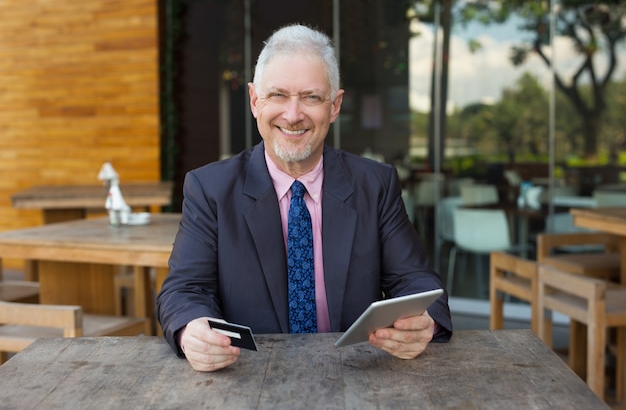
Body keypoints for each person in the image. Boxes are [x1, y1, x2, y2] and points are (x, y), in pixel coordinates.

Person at [157, 23, 452, 372]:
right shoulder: (210, 189)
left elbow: (415, 280)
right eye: (278, 95)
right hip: (250, 378)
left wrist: (424, 323)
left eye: (311, 97)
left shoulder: (376, 184)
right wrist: (192, 329)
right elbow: (185, 289)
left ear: (335, 105)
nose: (293, 114)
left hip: (357, 375)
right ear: (255, 101)